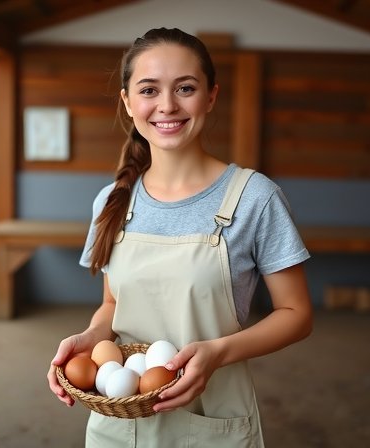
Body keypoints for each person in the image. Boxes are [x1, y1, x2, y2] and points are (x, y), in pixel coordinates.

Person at [47, 27, 313, 447]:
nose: (167, 105)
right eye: (149, 89)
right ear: (128, 102)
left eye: (185, 88)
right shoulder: (112, 201)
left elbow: (296, 314)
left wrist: (218, 353)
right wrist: (93, 337)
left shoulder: (254, 197)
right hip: (120, 423)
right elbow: (113, 303)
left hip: (214, 415)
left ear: (210, 96)